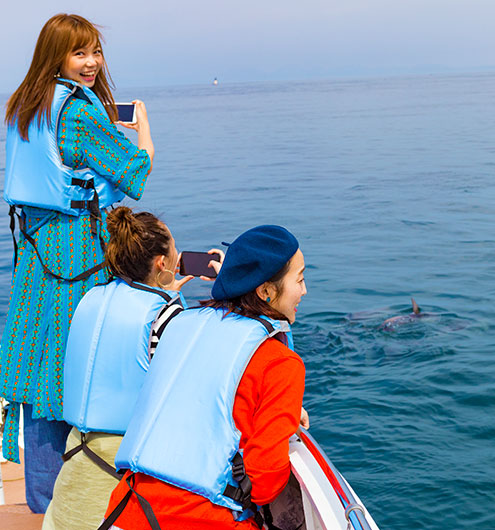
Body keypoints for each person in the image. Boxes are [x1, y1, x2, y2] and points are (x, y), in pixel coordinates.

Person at [0, 13, 154, 512]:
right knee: (85, 364)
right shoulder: (81, 114)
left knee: (40, 371)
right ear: (58, 56)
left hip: (33, 253)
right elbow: (134, 172)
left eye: (95, 52)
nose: (91, 64)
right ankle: (89, 499)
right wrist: (142, 130)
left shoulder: (26, 104)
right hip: (78, 254)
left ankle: (44, 501)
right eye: (80, 53)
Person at [102, 225, 308, 530]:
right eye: (300, 279)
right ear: (265, 291)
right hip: (204, 519)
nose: (304, 291)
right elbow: (265, 478)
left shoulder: (181, 323)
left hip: (126, 509)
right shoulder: (279, 362)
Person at [42, 207, 223, 529]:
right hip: (119, 481)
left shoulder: (90, 298)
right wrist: (224, 288)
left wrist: (165, 296)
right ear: (162, 263)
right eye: (175, 251)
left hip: (75, 467)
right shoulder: (164, 316)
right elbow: (204, 386)